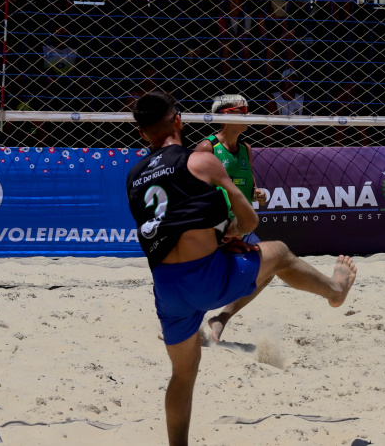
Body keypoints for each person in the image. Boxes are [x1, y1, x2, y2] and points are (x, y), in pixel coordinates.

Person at [126, 90, 357, 446]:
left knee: (183, 375)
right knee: (278, 253)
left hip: (166, 287)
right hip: (205, 275)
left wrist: (215, 235)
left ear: (142, 134)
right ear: (178, 121)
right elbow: (250, 217)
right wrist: (230, 233)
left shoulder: (134, 177)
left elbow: (168, 225)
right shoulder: (200, 160)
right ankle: (336, 291)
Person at [194, 94, 266, 244]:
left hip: (242, 230)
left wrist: (258, 195)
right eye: (243, 110)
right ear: (226, 113)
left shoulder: (246, 149)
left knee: (265, 259)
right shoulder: (207, 147)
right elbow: (194, 196)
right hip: (216, 231)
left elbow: (250, 191)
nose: (248, 115)